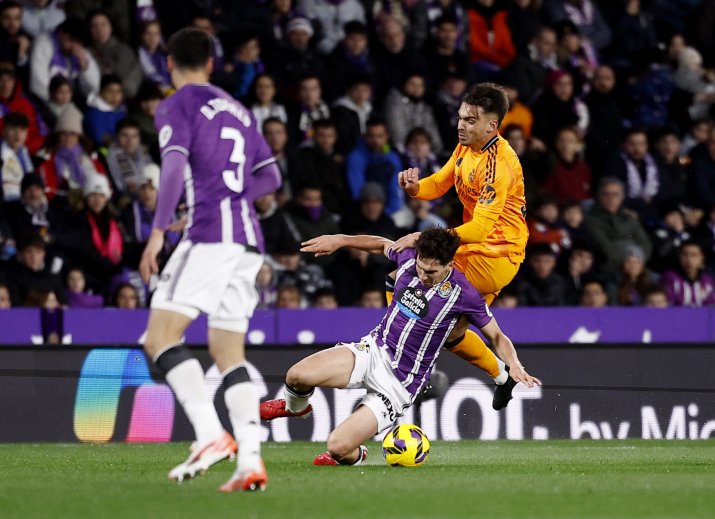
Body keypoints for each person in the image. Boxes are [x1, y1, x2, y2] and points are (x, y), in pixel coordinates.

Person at [138, 28, 281, 492]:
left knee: (159, 338)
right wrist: (229, 197)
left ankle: (208, 435)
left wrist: (158, 232)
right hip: (248, 242)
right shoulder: (239, 109)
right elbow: (270, 177)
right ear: (212, 64)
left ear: (168, 63)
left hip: (210, 236)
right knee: (226, 351)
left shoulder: (176, 103)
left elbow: (175, 166)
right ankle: (250, 460)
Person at [261, 228, 540, 465]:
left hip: (399, 384)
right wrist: (341, 239)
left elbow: (497, 336)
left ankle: (355, 454)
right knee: (296, 375)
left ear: (449, 266)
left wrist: (514, 364)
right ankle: (295, 407)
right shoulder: (409, 259)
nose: (423, 274)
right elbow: (382, 244)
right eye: (421, 266)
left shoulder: (464, 294)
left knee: (337, 446)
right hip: (373, 351)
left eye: (431, 271)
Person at [395, 82, 528, 409]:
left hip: (495, 252)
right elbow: (440, 182)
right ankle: (502, 375)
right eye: (460, 117)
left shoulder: (499, 165)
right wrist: (415, 189)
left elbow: (481, 228)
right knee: (454, 334)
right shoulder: (467, 146)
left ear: (491, 125)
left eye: (470, 120)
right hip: (479, 249)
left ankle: (409, 370)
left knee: (409, 276)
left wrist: (428, 239)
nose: (461, 125)